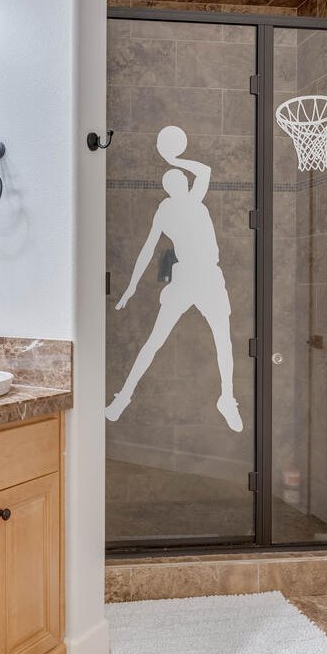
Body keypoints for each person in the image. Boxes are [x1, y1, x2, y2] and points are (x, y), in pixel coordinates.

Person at [107, 125, 242, 432]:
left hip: (209, 277)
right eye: (177, 179)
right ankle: (123, 397)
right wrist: (130, 288)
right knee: (154, 340)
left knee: (223, 338)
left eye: (183, 177)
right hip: (185, 278)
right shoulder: (168, 209)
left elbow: (204, 171)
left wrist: (175, 159)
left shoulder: (195, 199)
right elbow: (146, 250)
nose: (183, 179)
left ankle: (227, 398)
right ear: (171, 187)